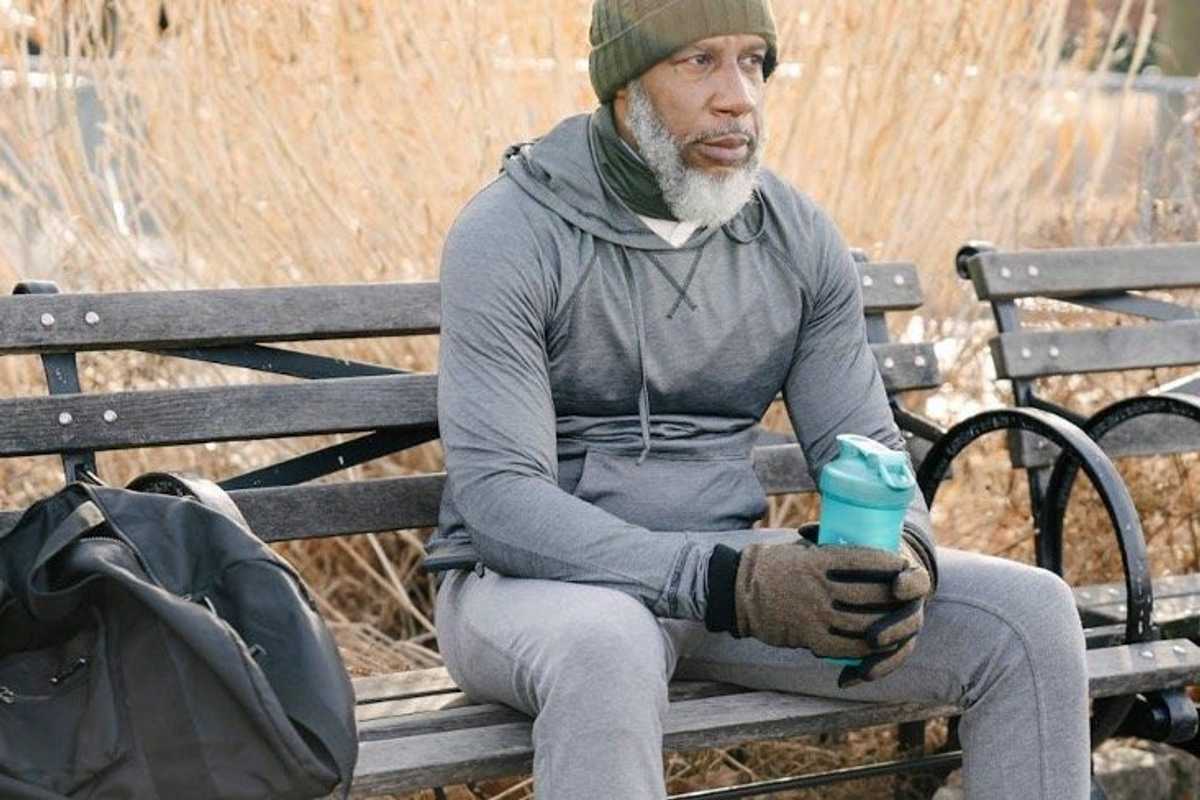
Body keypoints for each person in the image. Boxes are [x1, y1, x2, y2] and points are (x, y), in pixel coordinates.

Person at [426, 1, 1090, 797]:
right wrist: (729, 585)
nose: (738, 95)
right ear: (623, 86)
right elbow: (501, 504)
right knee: (609, 644)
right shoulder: (511, 232)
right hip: (533, 593)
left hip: (721, 585)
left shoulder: (793, 235)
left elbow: (867, 447)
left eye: (753, 61)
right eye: (699, 61)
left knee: (1031, 618)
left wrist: (902, 553)